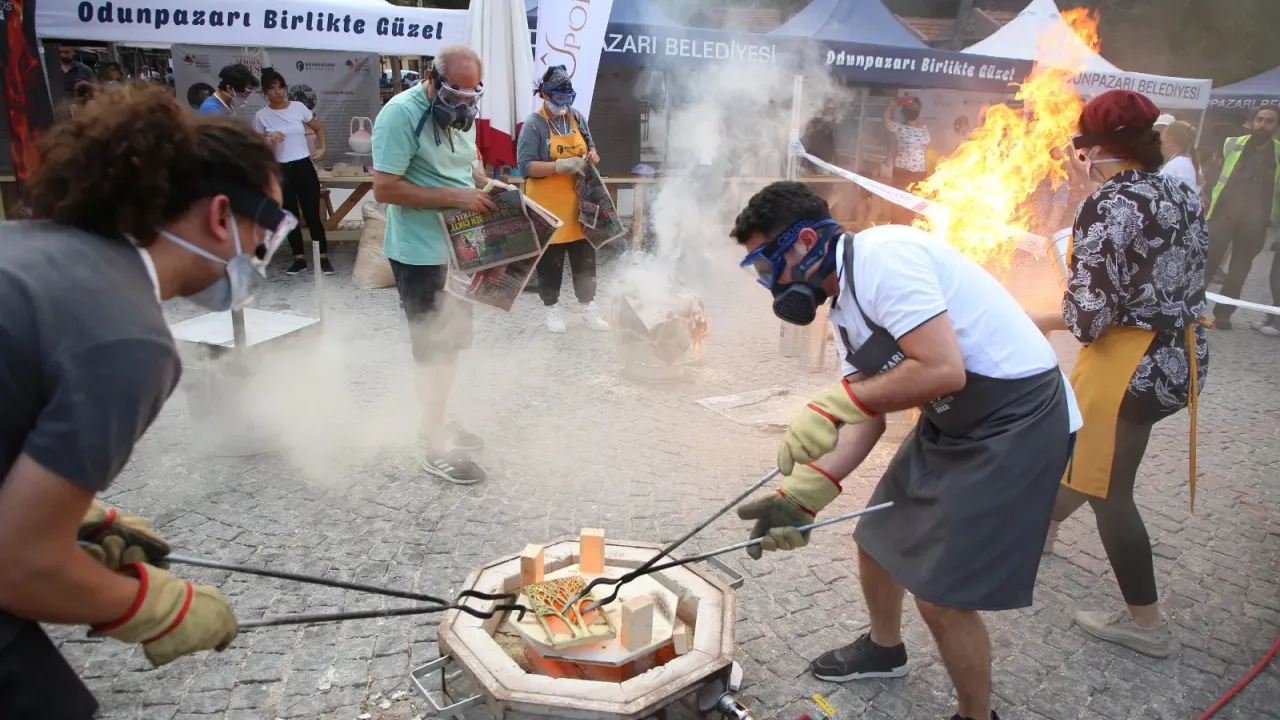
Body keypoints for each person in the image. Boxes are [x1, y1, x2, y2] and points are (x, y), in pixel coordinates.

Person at [731, 182, 1080, 720]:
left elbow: (942, 368)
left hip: (1017, 419)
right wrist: (806, 493)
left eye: (763, 265)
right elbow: (867, 414)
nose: (766, 283)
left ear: (803, 242)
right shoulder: (844, 307)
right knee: (876, 539)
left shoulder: (884, 258)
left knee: (940, 595)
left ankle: (975, 715)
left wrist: (833, 402)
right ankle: (884, 649)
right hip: (951, 419)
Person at [0, 84, 293, 717]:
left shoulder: (29, 245)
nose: (266, 258)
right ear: (221, 216)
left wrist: (76, 516)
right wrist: (154, 606)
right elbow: (19, 566)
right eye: (268, 231)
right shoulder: (128, 338)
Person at [1030, 90, 1209, 659]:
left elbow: (1087, 317)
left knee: (1110, 486)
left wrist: (1038, 317)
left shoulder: (1109, 204)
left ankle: (1146, 623)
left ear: (1099, 150)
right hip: (1180, 354)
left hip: (1131, 363)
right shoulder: (1179, 191)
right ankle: (1037, 529)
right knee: (1094, 452)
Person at [371, 45, 492, 486]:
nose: (463, 102)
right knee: (432, 350)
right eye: (454, 92)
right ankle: (435, 444)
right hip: (419, 253)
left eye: (470, 93)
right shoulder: (400, 114)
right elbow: (385, 188)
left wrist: (486, 186)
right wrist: (458, 197)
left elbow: (463, 169)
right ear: (431, 77)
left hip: (458, 250)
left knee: (452, 344)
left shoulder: (461, 111)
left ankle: (434, 419)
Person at [516, 65, 610, 334]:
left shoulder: (577, 118)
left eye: (568, 98)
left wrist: (592, 155)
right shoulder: (533, 125)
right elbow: (524, 167)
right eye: (559, 98)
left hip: (580, 205)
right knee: (551, 260)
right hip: (547, 208)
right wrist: (558, 167)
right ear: (545, 95)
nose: (564, 104)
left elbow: (592, 148)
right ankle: (551, 309)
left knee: (585, 258)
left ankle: (588, 307)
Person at [1203, 105, 1279, 329]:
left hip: (1256, 220)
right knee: (1207, 264)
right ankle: (1191, 309)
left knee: (1239, 271)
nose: (1262, 125)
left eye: (1269, 121)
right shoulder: (1232, 143)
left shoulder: (1278, 152)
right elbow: (1214, 174)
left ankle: (1224, 314)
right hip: (1223, 214)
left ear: (1277, 126)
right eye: (1260, 119)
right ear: (1253, 121)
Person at [254, 67, 333, 276]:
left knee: (312, 214)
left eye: (280, 87)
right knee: (289, 216)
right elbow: (255, 144)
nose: (277, 92)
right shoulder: (262, 116)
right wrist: (268, 138)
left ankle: (322, 257)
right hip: (280, 169)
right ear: (265, 92)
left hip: (303, 165)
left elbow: (318, 127)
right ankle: (299, 258)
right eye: (272, 88)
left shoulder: (298, 108)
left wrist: (322, 148)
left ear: (285, 88)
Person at [883, 95, 931, 225]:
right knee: (912, 202)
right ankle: (909, 225)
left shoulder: (901, 129)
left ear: (904, 114)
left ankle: (898, 225)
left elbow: (887, 121)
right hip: (920, 172)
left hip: (903, 171)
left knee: (899, 201)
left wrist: (891, 105)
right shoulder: (924, 131)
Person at [1160, 120, 1201, 195]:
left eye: (1163, 140)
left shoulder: (1174, 166)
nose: (1161, 145)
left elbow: (1164, 196)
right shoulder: (1194, 164)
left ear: (1170, 140)